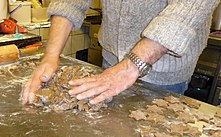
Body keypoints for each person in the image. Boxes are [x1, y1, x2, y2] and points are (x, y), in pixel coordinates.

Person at [20, 0, 220, 105]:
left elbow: (190, 5)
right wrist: (51, 56)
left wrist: (130, 66)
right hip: (111, 63)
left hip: (164, 69)